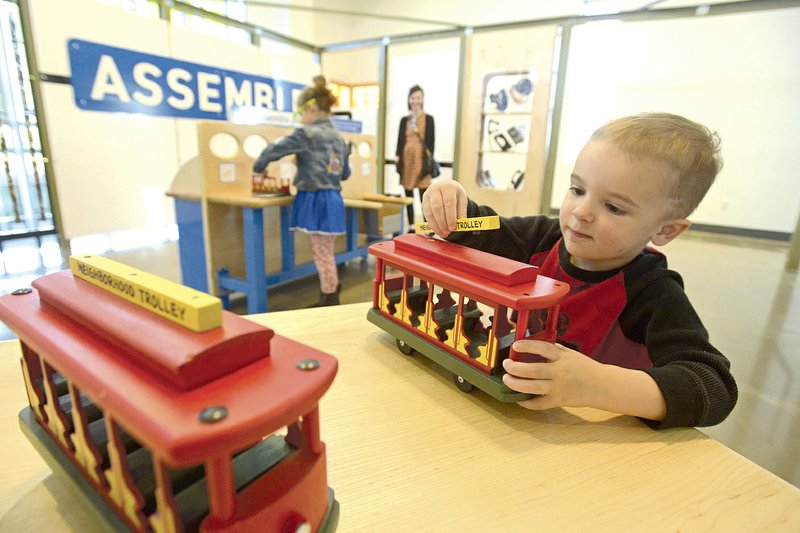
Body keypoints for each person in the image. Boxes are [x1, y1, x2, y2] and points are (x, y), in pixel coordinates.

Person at [421, 112, 737, 429]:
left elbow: (713, 386)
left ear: (666, 230)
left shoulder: (652, 291)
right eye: (577, 189)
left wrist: (596, 383)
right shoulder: (542, 239)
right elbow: (481, 231)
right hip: (512, 423)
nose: (582, 212)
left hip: (598, 449)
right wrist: (450, 202)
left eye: (614, 207)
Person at [252, 75, 351, 307]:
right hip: (333, 198)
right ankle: (331, 290)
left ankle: (330, 298)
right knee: (327, 251)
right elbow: (343, 173)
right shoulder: (338, 138)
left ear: (313, 108)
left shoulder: (306, 134)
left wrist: (258, 168)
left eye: (301, 112)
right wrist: (307, 164)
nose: (302, 118)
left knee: (321, 253)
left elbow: (272, 151)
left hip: (315, 199)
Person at [396, 85, 435, 231]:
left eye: (418, 97)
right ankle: (412, 224)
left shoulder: (429, 119)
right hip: (407, 160)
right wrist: (397, 156)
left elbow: (431, 143)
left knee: (425, 195)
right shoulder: (404, 120)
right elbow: (400, 141)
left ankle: (427, 226)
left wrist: (428, 161)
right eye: (413, 97)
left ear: (422, 99)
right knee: (408, 193)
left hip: (422, 161)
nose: (415, 101)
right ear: (409, 99)